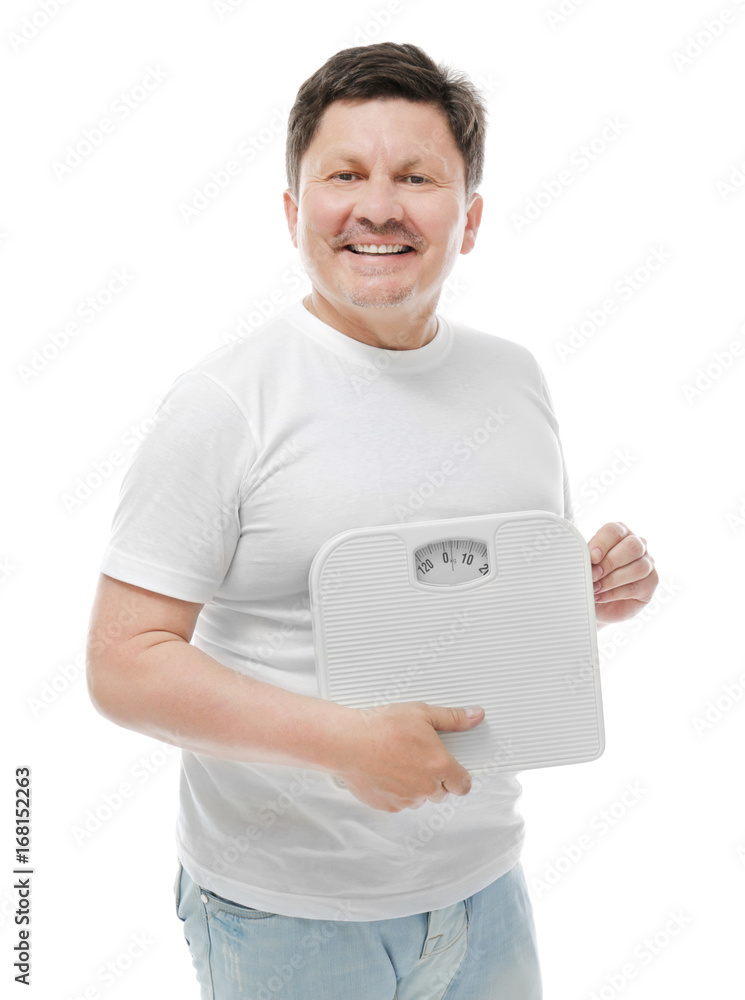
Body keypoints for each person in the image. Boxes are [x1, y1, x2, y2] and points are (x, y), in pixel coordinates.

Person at [86, 41, 658, 1000]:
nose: (379, 206)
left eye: (417, 176)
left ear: (467, 218)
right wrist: (340, 744)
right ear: (292, 209)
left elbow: (480, 598)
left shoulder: (514, 377)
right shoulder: (226, 403)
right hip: (286, 920)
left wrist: (586, 593)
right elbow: (122, 662)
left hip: (487, 895)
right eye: (344, 174)